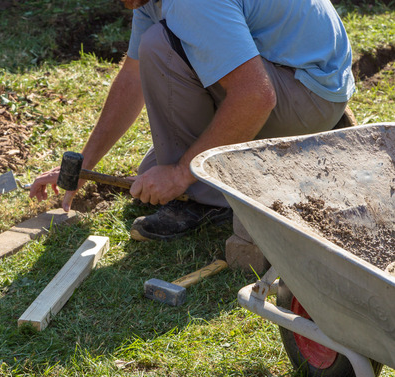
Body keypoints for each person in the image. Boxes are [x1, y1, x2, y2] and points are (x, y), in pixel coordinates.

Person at [28, 0, 353, 241]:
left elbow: (256, 97)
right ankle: (280, 153)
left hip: (308, 94)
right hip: (309, 82)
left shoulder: (191, 2)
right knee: (149, 174)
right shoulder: (152, 2)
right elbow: (132, 78)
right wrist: (83, 166)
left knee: (161, 45)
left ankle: (206, 200)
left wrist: (182, 175)